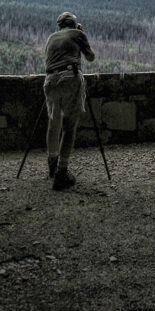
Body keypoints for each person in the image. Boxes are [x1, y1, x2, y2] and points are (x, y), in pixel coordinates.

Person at [43, 11, 95, 190]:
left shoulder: (51, 38)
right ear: (73, 24)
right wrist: (82, 34)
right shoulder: (77, 34)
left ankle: (52, 163)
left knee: (53, 124)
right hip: (69, 77)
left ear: (59, 26)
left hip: (50, 80)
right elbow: (90, 57)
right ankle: (62, 172)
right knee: (69, 126)